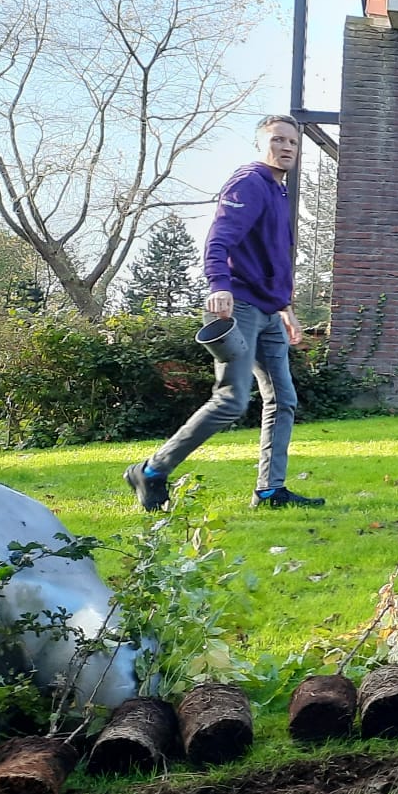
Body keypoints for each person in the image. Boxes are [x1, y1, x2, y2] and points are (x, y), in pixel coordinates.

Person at [126, 115, 319, 512]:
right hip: (241, 306)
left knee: (283, 399)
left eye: (293, 143)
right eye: (278, 140)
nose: (286, 148)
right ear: (260, 144)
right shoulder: (249, 182)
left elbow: (273, 257)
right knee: (232, 400)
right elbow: (219, 237)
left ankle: (269, 490)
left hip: (269, 311)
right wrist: (219, 285)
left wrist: (286, 307)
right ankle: (150, 471)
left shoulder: (279, 192)